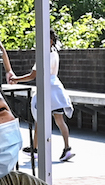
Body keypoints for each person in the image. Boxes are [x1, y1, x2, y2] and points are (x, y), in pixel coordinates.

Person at [11, 30, 75, 162]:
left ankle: (36, 149)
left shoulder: (44, 55)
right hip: (56, 89)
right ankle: (67, 148)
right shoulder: (54, 53)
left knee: (38, 119)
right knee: (59, 120)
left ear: (50, 40)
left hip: (46, 89)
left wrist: (16, 79)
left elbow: (32, 75)